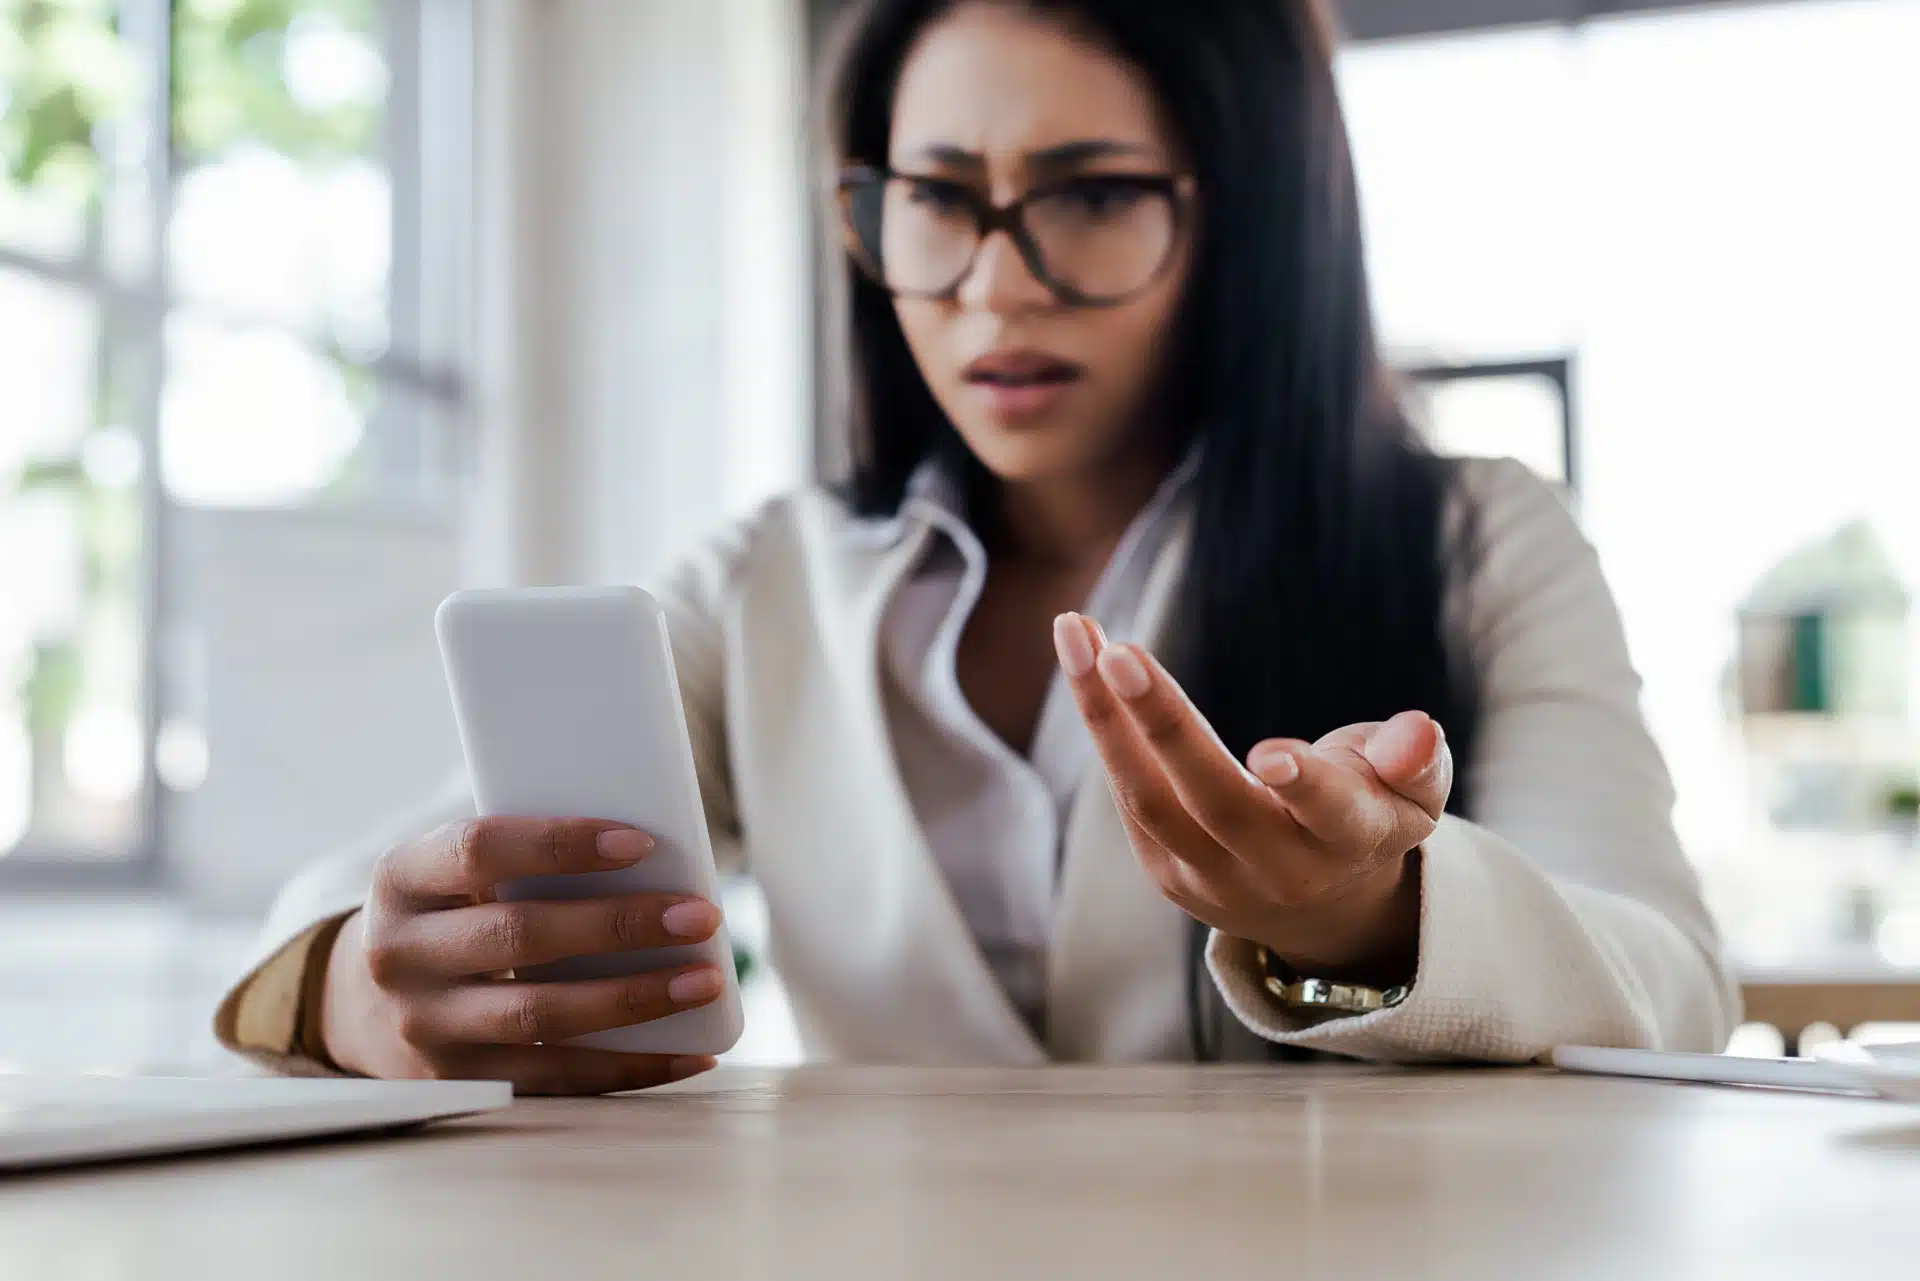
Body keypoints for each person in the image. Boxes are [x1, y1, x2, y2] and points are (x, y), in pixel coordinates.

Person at [216, 0, 1739, 1092]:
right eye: (937, 200)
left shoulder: (1479, 539)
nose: (995, 291)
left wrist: (1367, 918)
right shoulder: (769, 581)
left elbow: (1664, 984)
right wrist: (368, 987)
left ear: (1256, 220)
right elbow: (362, 895)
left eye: (1089, 195)